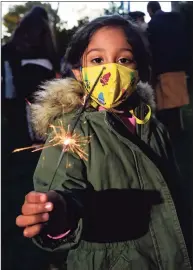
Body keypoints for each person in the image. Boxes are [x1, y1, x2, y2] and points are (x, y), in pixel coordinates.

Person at [16, 16, 191, 269]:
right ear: (78, 71)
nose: (110, 70)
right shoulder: (70, 129)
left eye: (124, 60)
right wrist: (58, 212)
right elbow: (63, 190)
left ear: (138, 70)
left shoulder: (152, 125)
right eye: (97, 60)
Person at [1, 6, 60, 145]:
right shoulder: (44, 27)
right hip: (39, 74)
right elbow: (51, 52)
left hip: (14, 87)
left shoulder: (21, 30)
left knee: (18, 116)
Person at [147, 1, 190, 138]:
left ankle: (171, 131)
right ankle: (179, 128)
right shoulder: (176, 19)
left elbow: (152, 48)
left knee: (166, 102)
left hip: (163, 68)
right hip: (180, 65)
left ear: (150, 11)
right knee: (177, 101)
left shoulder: (153, 24)